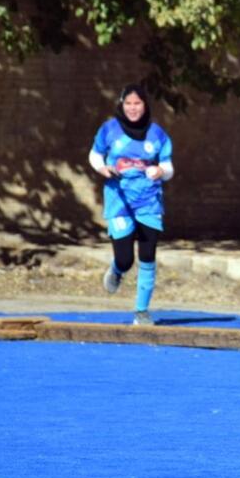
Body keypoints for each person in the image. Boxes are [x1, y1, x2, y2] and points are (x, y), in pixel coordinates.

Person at [88, 84, 175, 326]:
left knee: (147, 255)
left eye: (137, 103)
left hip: (149, 201)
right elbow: (95, 155)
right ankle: (117, 270)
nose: (133, 108)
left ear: (145, 105)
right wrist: (102, 168)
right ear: (121, 104)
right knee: (126, 259)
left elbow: (168, 167)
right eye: (128, 103)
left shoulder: (157, 134)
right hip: (119, 201)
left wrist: (161, 171)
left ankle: (142, 312)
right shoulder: (109, 129)